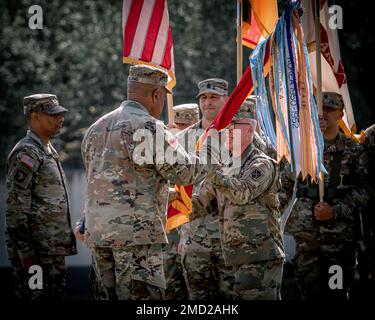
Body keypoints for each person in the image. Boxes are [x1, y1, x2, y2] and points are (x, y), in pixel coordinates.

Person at [81, 65, 215, 300]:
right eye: (163, 96)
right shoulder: (149, 127)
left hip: (98, 235)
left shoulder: (96, 127)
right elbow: (184, 173)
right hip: (135, 238)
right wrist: (214, 153)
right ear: (156, 95)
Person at [190, 102, 285, 299]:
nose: (229, 131)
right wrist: (168, 199)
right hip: (234, 257)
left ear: (250, 130)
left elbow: (242, 192)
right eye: (227, 127)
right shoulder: (225, 165)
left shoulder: (262, 164)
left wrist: (212, 171)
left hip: (260, 257)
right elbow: (200, 203)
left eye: (235, 126)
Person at [286, 92, 369, 300]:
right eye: (319, 109)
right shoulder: (303, 148)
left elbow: (364, 190)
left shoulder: (353, 150)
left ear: (340, 115)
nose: (322, 114)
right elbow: (284, 185)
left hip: (339, 240)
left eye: (329, 110)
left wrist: (335, 211)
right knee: (309, 293)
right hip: (306, 238)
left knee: (336, 292)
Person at [5, 93, 77, 299]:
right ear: (35, 117)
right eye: (53, 115)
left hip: (51, 253)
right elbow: (15, 211)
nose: (60, 118)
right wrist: (28, 257)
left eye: (60, 114)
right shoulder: (27, 153)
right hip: (35, 257)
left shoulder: (46, 150)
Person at [178, 78, 236, 299]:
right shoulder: (182, 139)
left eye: (214, 97)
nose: (208, 102)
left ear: (226, 99)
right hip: (195, 235)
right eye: (203, 97)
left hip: (231, 234)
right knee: (199, 299)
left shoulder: (239, 135)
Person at [164, 103, 199, 300]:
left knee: (196, 285)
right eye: (178, 125)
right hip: (170, 227)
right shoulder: (165, 147)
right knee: (170, 284)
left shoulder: (203, 149)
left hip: (195, 227)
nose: (182, 130)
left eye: (186, 126)